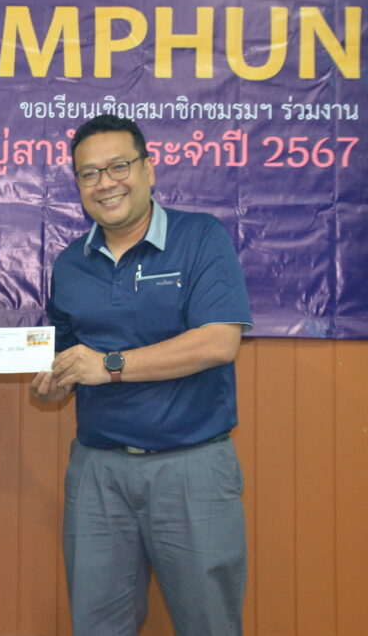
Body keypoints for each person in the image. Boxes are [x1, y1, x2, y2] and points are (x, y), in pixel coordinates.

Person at [30, 115, 253, 636]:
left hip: (192, 468)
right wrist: (48, 378)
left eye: (119, 167)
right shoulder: (70, 264)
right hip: (97, 472)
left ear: (148, 170)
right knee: (97, 625)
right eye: (89, 173)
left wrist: (110, 366)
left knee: (209, 624)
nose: (105, 183)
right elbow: (66, 356)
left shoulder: (200, 236)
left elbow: (219, 341)